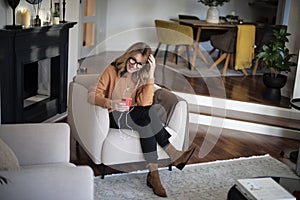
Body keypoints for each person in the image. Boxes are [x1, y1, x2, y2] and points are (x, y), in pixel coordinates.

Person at [88, 42, 196, 197]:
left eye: (140, 64)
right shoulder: (112, 70)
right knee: (147, 114)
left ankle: (154, 174)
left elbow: (145, 102)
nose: (135, 66)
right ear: (127, 55)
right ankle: (173, 155)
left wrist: (151, 74)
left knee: (146, 121)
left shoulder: (141, 75)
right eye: (133, 60)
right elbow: (92, 94)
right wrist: (110, 103)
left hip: (133, 114)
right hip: (113, 115)